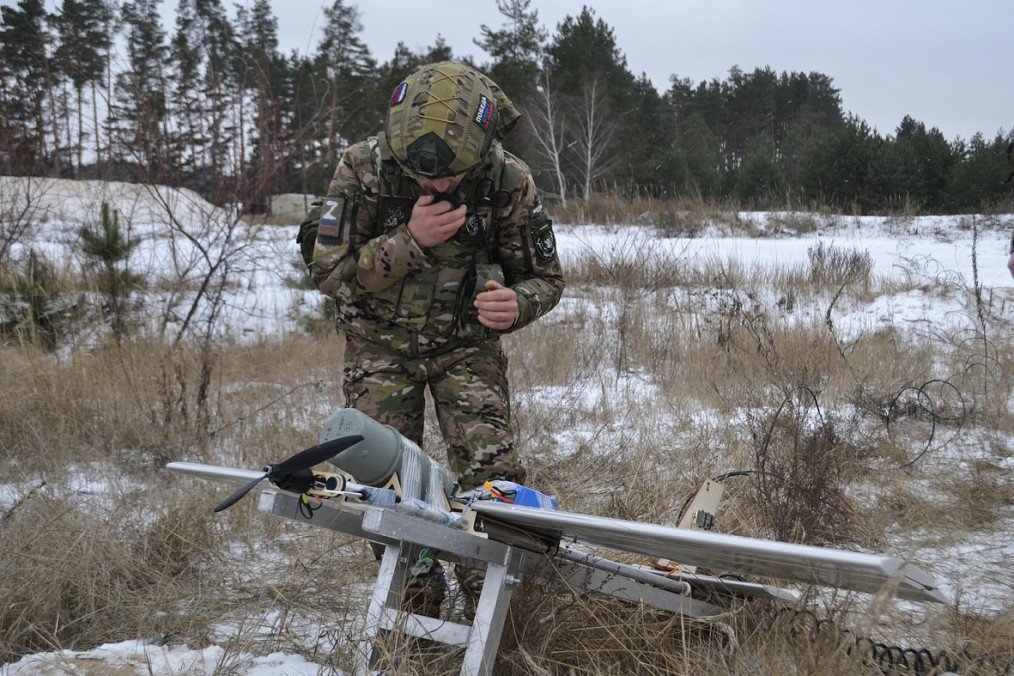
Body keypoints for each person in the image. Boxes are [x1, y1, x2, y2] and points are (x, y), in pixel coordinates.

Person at [298, 61, 565, 616]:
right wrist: (408, 240)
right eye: (423, 177)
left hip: (466, 349)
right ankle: (415, 601)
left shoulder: (507, 181)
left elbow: (546, 278)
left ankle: (491, 601)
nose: (436, 186)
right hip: (380, 350)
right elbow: (328, 273)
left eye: (449, 176)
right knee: (382, 482)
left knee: (494, 484)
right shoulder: (364, 166)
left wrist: (518, 304)